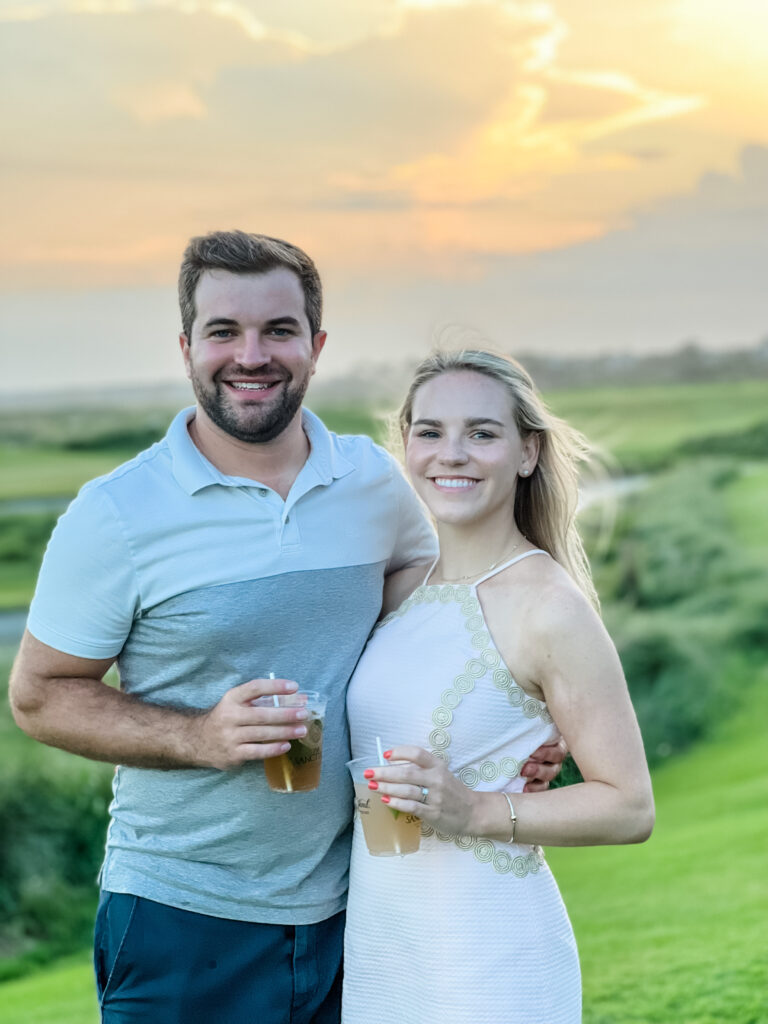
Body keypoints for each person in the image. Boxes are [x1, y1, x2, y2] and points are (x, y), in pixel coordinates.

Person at [9, 232, 564, 1024]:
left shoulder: (373, 481)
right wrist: (200, 735)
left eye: (278, 330)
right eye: (223, 332)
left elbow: (455, 618)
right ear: (187, 347)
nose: (251, 355)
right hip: (184, 917)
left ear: (315, 346)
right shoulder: (115, 514)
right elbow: (37, 698)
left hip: (363, 905)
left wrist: (523, 729)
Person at [343, 350, 655, 1024]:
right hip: (383, 947)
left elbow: (629, 806)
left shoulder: (549, 606)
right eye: (429, 432)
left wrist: (478, 810)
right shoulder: (400, 589)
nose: (450, 454)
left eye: (481, 433)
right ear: (406, 446)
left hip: (488, 956)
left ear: (526, 453)